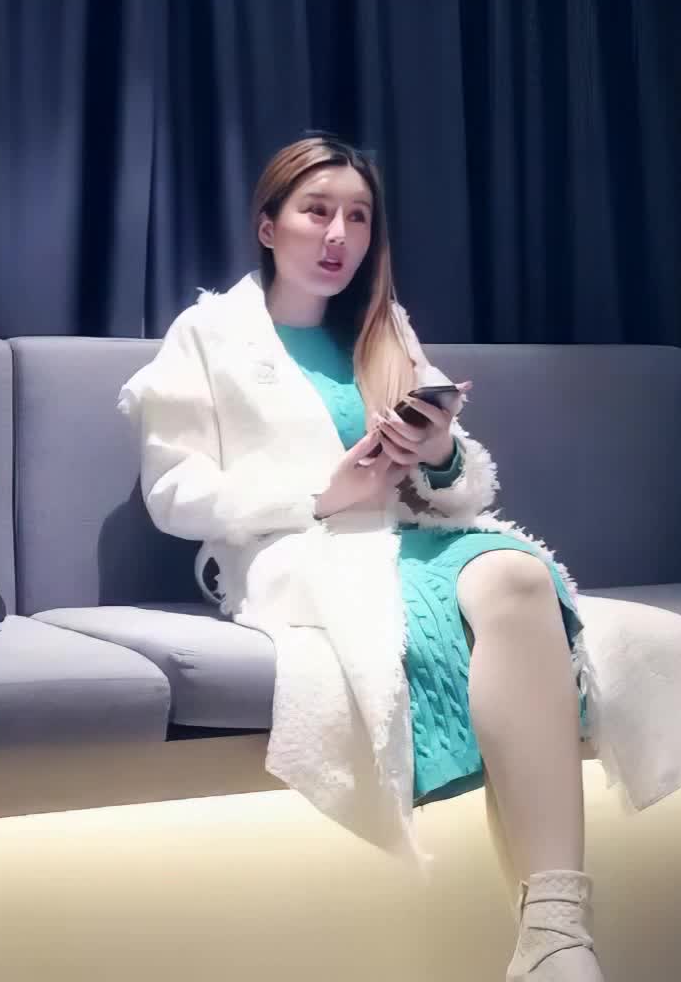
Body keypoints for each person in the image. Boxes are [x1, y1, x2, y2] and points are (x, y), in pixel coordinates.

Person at [119, 134, 611, 981]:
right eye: (316, 211)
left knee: (520, 576)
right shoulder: (208, 333)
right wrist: (321, 493)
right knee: (451, 597)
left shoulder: (385, 331)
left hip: (409, 534)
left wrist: (439, 449)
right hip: (293, 548)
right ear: (268, 226)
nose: (339, 234)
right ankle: (555, 943)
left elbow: (459, 486)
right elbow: (174, 491)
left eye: (358, 216)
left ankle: (555, 930)